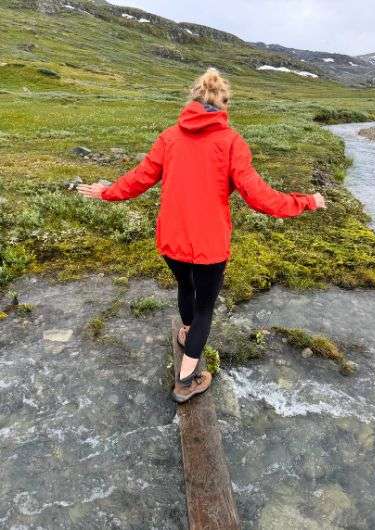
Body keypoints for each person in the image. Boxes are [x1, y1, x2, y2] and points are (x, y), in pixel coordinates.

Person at [78, 67, 326, 403]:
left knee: (185, 287)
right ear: (224, 104)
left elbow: (138, 179)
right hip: (209, 246)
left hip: (172, 240)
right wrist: (308, 201)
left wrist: (106, 192)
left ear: (194, 99)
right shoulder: (231, 143)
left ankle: (184, 333)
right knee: (205, 310)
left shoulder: (169, 137)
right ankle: (186, 381)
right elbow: (261, 198)